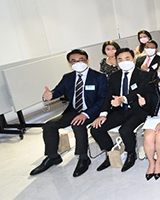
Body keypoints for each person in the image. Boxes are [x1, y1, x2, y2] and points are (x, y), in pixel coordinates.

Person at [30, 49, 108, 177]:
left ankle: (83, 158)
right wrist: (50, 95)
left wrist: (85, 114)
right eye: (74, 61)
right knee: (49, 125)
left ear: (87, 61)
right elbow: (58, 91)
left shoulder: (99, 77)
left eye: (81, 60)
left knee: (78, 124)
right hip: (73, 111)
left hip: (92, 111)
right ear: (69, 63)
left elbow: (102, 99)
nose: (78, 63)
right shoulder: (68, 77)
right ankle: (53, 156)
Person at [90, 48, 150, 173]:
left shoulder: (144, 75)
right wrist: (103, 114)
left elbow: (140, 91)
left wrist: (123, 99)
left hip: (137, 110)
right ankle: (111, 152)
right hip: (120, 110)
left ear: (133, 59)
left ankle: (131, 153)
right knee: (96, 129)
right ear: (117, 62)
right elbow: (108, 96)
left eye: (127, 58)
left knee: (125, 130)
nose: (124, 62)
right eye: (120, 60)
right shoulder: (114, 76)